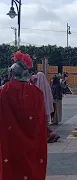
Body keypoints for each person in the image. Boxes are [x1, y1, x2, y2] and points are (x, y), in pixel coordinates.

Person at [0, 50, 47, 179]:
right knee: (32, 168)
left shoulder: (6, 90)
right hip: (33, 140)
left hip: (11, 141)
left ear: (11, 74)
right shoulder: (37, 92)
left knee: (13, 169)